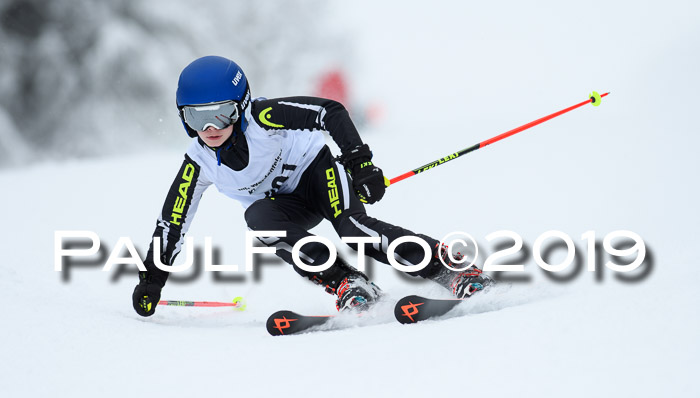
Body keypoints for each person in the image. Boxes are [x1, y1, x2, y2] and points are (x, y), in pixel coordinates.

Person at [132, 56, 490, 317]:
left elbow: (329, 112)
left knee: (355, 230)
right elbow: (172, 223)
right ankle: (348, 283)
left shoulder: (263, 116)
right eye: (196, 117)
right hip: (285, 207)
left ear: (240, 107)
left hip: (317, 174)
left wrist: (359, 163)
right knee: (259, 220)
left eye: (220, 113)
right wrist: (153, 278)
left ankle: (454, 271)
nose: (209, 128)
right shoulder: (199, 161)